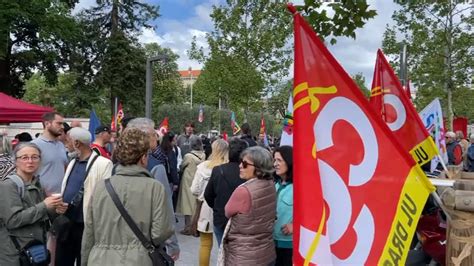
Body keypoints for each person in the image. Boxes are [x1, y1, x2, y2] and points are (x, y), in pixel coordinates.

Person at [81, 128, 174, 266]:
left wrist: (85, 261)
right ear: (143, 157)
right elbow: (160, 233)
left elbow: (89, 232)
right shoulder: (154, 188)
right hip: (139, 259)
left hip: (100, 259)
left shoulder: (101, 187)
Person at [55, 127, 113, 266]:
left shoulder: (103, 164)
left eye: (68, 141)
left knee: (85, 261)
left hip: (86, 225)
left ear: (77, 143)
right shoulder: (73, 162)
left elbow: (105, 196)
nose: (65, 144)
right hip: (67, 223)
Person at [0, 143, 64, 266]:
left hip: (34, 250)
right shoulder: (7, 186)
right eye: (24, 157)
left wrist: (55, 210)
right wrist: (44, 205)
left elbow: (40, 215)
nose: (30, 161)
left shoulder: (36, 183)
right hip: (14, 254)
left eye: (35, 157)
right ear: (16, 161)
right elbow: (13, 220)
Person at [128, 117, 180, 260]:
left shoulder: (116, 165)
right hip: (148, 241)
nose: (156, 138)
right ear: (143, 138)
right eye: (153, 135)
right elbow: (165, 209)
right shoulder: (156, 166)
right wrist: (173, 244)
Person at [222, 146, 277, 265]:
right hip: (266, 252)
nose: (240, 166)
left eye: (245, 164)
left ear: (258, 168)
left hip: (244, 256)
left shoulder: (244, 191)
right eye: (241, 162)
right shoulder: (270, 184)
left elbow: (227, 212)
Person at [190, 139, 229, 266]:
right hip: (225, 208)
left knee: (205, 244)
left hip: (206, 207)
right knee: (223, 246)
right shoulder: (229, 168)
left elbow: (194, 189)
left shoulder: (202, 167)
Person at [204, 138, 247, 246]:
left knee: (222, 250)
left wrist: (217, 207)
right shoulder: (248, 173)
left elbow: (208, 195)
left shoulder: (218, 170)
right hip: (242, 221)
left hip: (221, 219)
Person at [31, 112, 69, 195]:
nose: (62, 127)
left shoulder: (61, 145)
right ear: (47, 123)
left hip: (60, 197)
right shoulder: (34, 145)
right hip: (41, 199)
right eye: (59, 123)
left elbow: (64, 168)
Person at [177, 135, 206, 235]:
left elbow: (182, 166)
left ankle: (188, 228)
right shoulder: (203, 155)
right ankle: (196, 227)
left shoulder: (188, 156)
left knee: (187, 206)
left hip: (188, 182)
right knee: (196, 205)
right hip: (198, 181)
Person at [273, 146, 293, 266]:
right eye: (274, 160)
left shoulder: (300, 187)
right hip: (271, 243)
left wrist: (295, 226)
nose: (275, 164)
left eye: (279, 160)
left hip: (289, 246)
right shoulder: (275, 184)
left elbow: (313, 214)